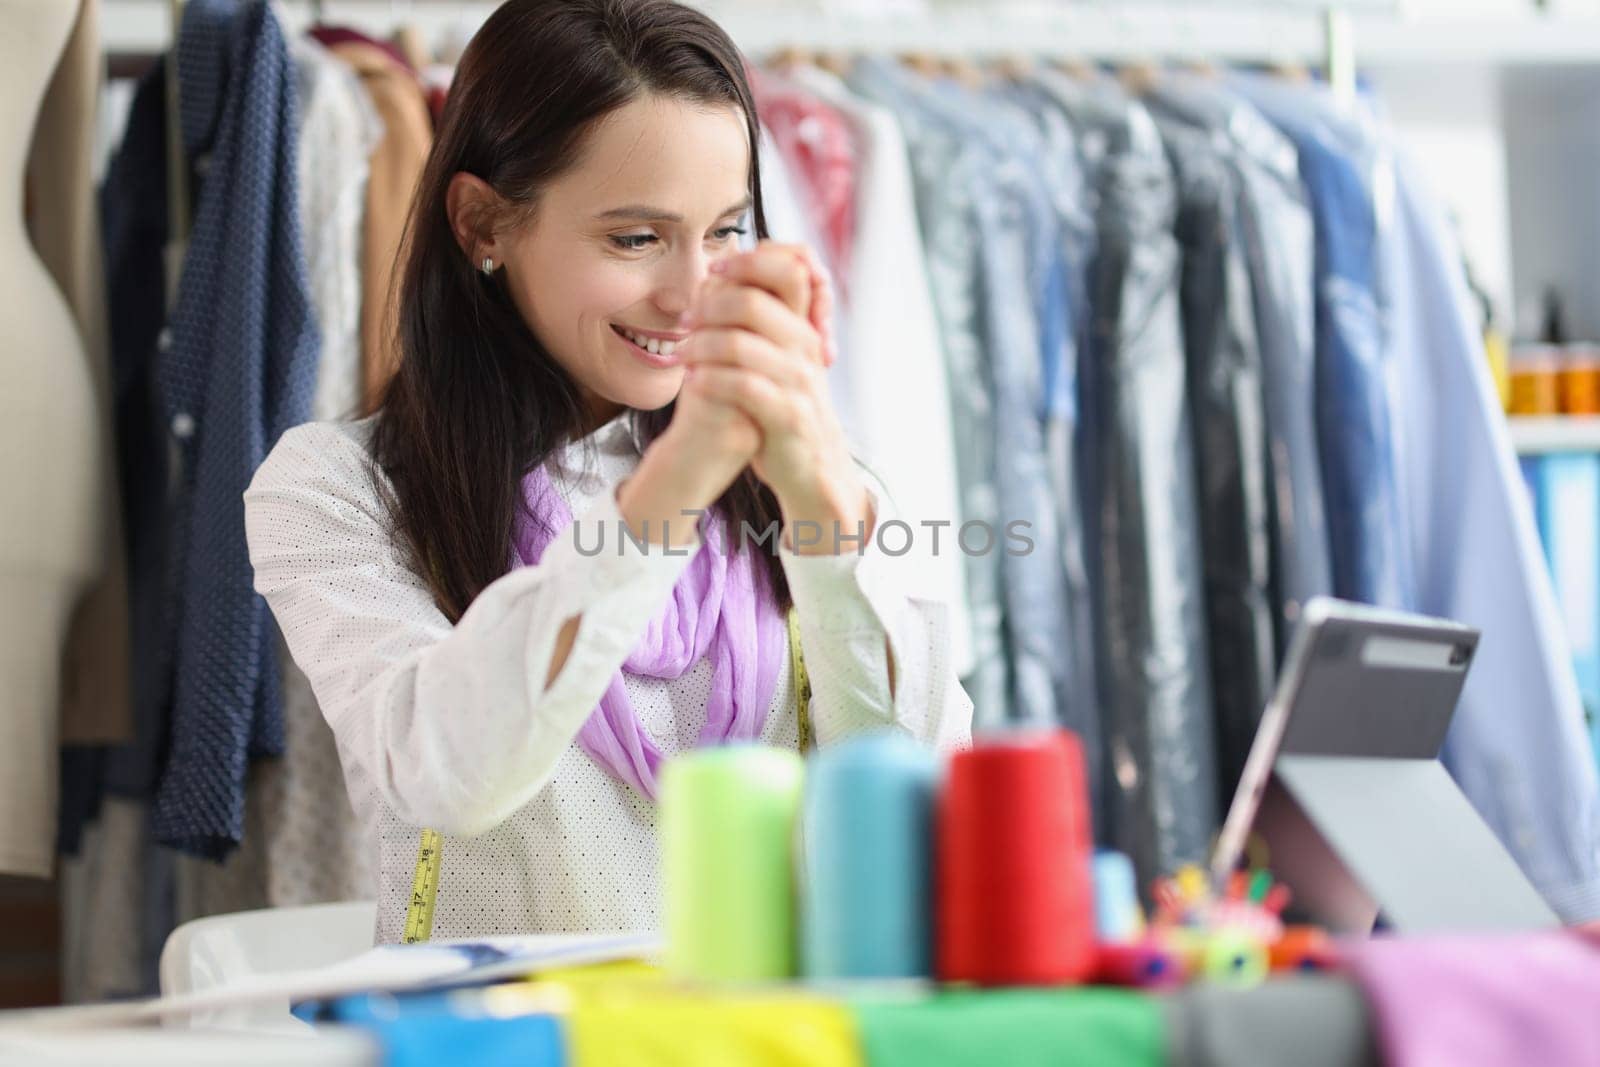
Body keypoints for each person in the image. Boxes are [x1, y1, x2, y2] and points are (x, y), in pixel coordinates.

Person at [244, 0, 973, 944]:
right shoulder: (336, 490)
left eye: (725, 231)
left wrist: (823, 504)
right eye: (636, 238)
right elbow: (447, 773)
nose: (690, 293)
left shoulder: (807, 480)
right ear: (481, 225)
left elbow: (911, 793)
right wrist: (674, 484)